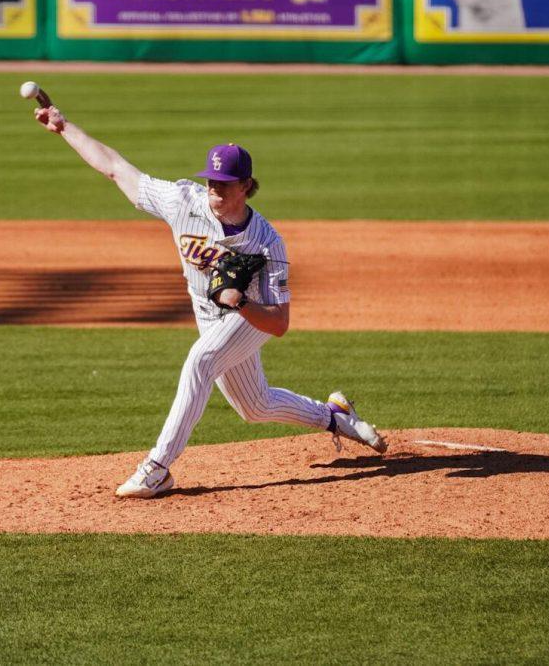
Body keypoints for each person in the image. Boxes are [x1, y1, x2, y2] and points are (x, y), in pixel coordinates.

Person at [33, 100, 387, 498]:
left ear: (246, 186)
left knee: (200, 360)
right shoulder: (182, 201)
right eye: (211, 180)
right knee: (255, 406)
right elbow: (116, 167)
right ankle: (335, 417)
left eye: (224, 182)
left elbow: (280, 323)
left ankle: (157, 468)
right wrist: (65, 128)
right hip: (207, 315)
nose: (214, 188)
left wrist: (240, 303)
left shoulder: (267, 243)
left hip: (249, 318)